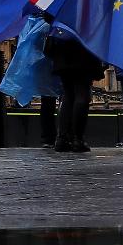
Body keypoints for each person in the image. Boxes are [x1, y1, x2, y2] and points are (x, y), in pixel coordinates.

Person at [43, 25, 105, 153]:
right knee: (81, 93)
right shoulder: (88, 5)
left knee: (68, 93)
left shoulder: (59, 5)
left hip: (62, 47)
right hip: (83, 47)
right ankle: (78, 139)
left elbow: (49, 18)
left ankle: (62, 139)